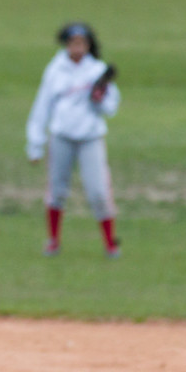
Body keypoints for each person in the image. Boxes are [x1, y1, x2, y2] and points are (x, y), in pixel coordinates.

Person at [25, 22, 122, 258]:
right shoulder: (55, 70)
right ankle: (53, 241)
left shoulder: (96, 70)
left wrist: (100, 97)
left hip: (91, 137)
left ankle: (110, 243)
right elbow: (42, 106)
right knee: (57, 190)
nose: (78, 48)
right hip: (61, 136)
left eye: (82, 43)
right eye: (73, 43)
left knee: (98, 192)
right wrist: (35, 143)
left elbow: (111, 107)